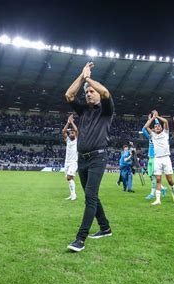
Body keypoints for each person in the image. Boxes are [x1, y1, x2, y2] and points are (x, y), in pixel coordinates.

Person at [65, 62, 113, 252]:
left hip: (98, 158)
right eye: (86, 92)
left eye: (91, 91)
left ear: (98, 94)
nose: (88, 94)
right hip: (82, 158)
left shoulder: (106, 109)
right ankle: (105, 227)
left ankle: (80, 239)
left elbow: (107, 93)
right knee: (90, 195)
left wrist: (88, 79)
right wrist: (81, 75)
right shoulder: (83, 110)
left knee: (90, 197)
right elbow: (69, 95)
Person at [143, 111, 174, 205]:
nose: (157, 127)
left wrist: (157, 116)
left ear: (161, 128)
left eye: (159, 126)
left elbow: (166, 121)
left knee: (169, 180)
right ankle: (158, 200)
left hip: (166, 158)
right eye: (155, 127)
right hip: (157, 159)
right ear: (154, 129)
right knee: (158, 179)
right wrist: (152, 118)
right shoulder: (153, 135)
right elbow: (146, 127)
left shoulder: (165, 133)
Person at [142, 122, 167, 200]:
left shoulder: (161, 136)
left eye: (156, 128)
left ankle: (152, 194)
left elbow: (160, 127)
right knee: (151, 176)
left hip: (156, 158)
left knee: (153, 177)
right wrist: (150, 119)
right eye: (153, 128)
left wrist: (155, 118)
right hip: (150, 158)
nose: (153, 129)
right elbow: (143, 129)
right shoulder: (150, 137)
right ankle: (163, 188)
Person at [62, 114, 78, 201]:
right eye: (70, 133)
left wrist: (72, 122)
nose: (71, 134)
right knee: (69, 179)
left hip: (73, 162)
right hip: (67, 162)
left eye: (72, 133)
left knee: (69, 177)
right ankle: (72, 194)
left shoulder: (77, 140)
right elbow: (63, 131)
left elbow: (76, 129)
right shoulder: (67, 140)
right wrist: (68, 123)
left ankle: (74, 195)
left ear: (75, 134)